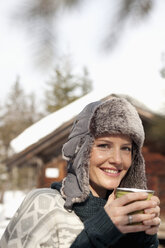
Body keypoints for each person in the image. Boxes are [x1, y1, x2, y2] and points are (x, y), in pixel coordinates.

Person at [0, 96, 161, 248]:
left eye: (126, 148)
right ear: (81, 150)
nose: (117, 160)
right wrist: (102, 228)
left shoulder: (126, 217)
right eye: (104, 145)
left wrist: (143, 239)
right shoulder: (43, 205)